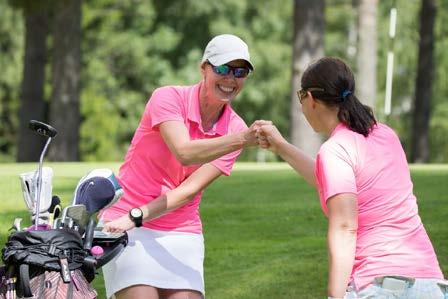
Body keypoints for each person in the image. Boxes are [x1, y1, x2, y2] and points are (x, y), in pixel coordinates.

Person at [255, 57, 447, 298]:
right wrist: (281, 147)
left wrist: (335, 296)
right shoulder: (385, 134)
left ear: (311, 99)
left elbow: (345, 227)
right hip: (431, 285)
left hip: (380, 288)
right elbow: (337, 185)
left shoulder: (335, 150)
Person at [99, 34, 262, 299]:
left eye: (239, 71)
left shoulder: (235, 128)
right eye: (222, 69)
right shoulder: (168, 98)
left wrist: (239, 138)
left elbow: (188, 191)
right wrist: (132, 218)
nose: (230, 79)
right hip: (125, 220)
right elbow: (184, 152)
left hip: (180, 228)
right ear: (203, 68)